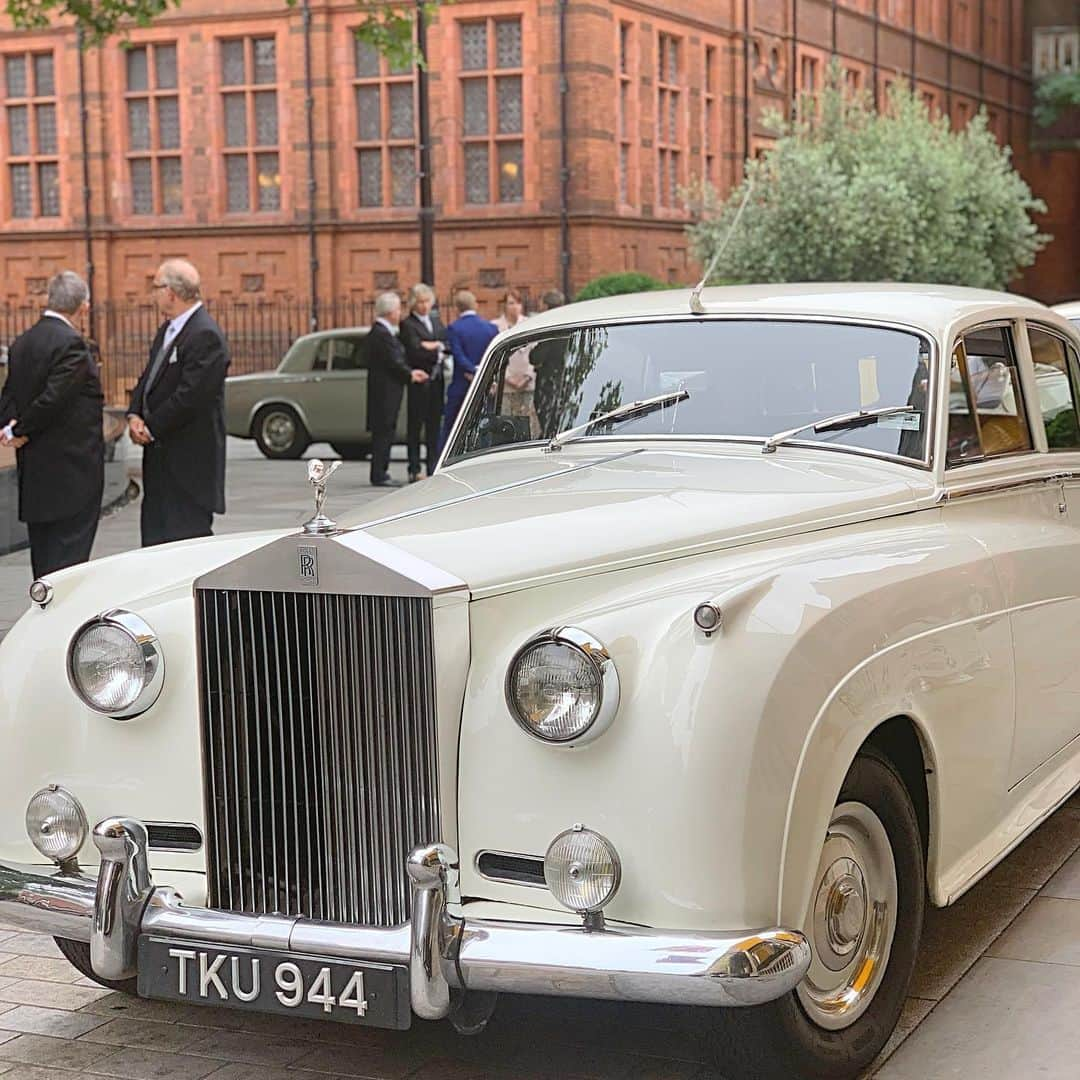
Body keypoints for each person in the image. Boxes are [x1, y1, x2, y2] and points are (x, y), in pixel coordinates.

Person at [0, 271, 103, 579]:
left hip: (35, 477)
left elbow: (9, 396)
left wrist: (10, 428)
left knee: (43, 566)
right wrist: (18, 430)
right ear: (82, 307)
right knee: (68, 570)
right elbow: (53, 399)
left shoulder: (22, 341)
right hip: (72, 477)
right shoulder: (72, 344)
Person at [128, 259, 229, 546]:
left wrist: (151, 427)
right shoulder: (168, 329)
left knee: (185, 544)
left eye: (156, 287)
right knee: (155, 544)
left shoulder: (205, 334)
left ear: (171, 292)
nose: (153, 294)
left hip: (189, 467)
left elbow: (191, 396)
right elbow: (149, 377)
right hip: (160, 465)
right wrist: (134, 413)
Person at [367, 292, 428, 487]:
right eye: (397, 309)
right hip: (385, 392)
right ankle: (379, 473)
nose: (399, 313)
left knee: (386, 429)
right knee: (384, 430)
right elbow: (393, 361)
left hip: (387, 391)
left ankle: (381, 470)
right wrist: (410, 374)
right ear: (390, 311)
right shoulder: (381, 334)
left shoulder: (383, 332)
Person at [399, 284, 447, 482]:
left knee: (434, 425)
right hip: (420, 380)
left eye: (427, 301)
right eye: (420, 302)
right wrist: (435, 348)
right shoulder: (408, 324)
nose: (425, 306)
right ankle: (414, 467)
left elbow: (448, 343)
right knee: (416, 425)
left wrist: (433, 345)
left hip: (437, 380)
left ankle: (432, 466)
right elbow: (414, 350)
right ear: (413, 303)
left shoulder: (436, 321)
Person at [443, 289, 498, 448]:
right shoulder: (490, 328)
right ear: (475, 305)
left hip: (462, 384)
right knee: (484, 426)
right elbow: (496, 355)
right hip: (486, 384)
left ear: (456, 308)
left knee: (451, 428)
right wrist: (484, 373)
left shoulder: (454, 328)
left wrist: (473, 371)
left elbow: (458, 356)